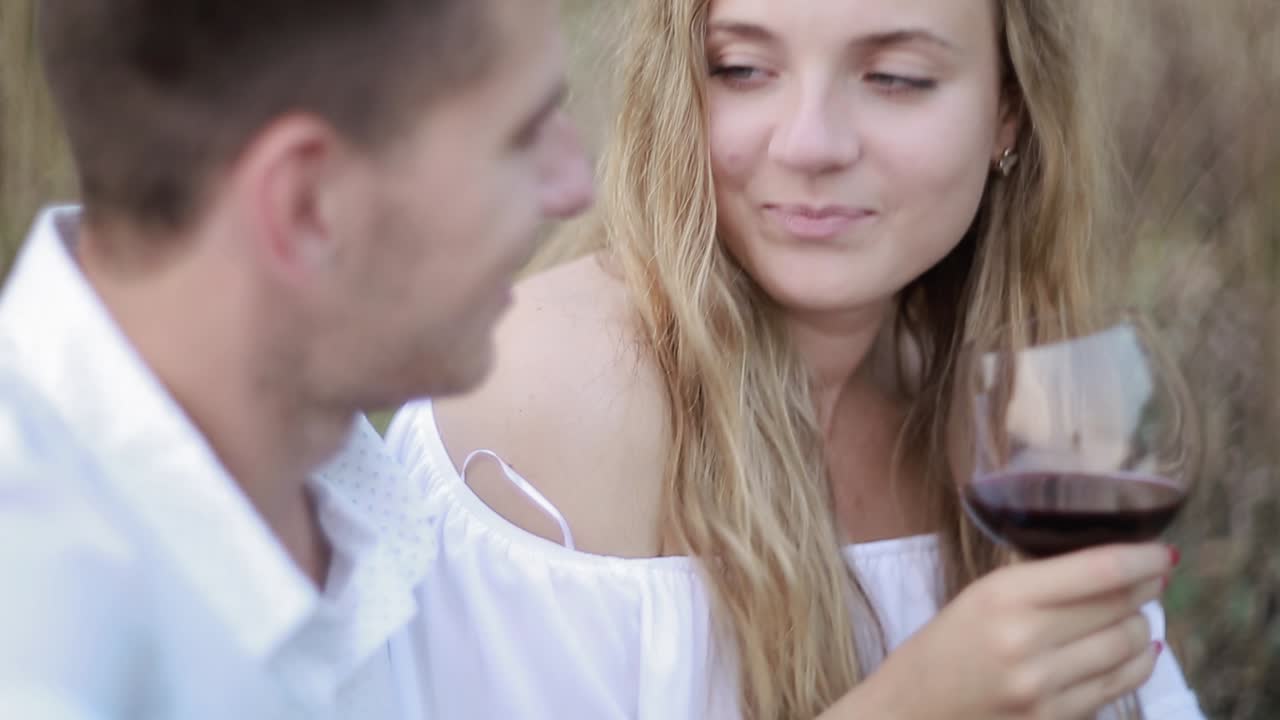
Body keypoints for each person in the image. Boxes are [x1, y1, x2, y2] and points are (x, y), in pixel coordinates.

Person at [332, 0, 1206, 718]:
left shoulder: (1023, 395)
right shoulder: (542, 402)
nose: (810, 144)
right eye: (743, 68)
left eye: (895, 77)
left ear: (1007, 110)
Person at [0, 1, 591, 718]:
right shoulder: (42, 661)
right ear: (309, 204)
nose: (575, 186)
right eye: (522, 135)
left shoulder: (340, 495)